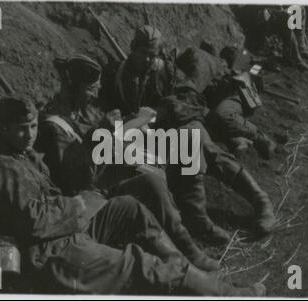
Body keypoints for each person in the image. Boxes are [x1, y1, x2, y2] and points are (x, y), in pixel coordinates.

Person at [0, 95, 267, 295]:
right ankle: (229, 295)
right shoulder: (2, 168)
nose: (29, 134)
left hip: (65, 229)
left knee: (128, 208)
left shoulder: (19, 155)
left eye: (31, 126)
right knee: (139, 265)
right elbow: (34, 221)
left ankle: (193, 275)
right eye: (19, 129)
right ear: (0, 128)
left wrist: (77, 204)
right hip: (50, 253)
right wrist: (77, 204)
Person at [35, 53, 221, 272]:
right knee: (151, 181)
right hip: (90, 200)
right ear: (70, 88)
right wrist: (102, 132)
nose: (96, 92)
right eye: (90, 88)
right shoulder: (53, 127)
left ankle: (188, 247)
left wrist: (132, 122)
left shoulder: (82, 111)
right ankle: (181, 260)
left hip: (107, 181)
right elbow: (76, 177)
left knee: (160, 169)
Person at [103, 25, 276, 238]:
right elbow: (106, 111)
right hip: (141, 140)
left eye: (153, 55)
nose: (149, 60)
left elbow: (193, 100)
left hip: (174, 127)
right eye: (144, 54)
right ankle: (196, 221)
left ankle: (260, 201)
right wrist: (123, 120)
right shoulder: (116, 76)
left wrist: (163, 111)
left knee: (203, 146)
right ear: (132, 49)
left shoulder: (167, 70)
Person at [204, 46, 276, 159]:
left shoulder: (229, 65)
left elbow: (247, 73)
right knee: (210, 121)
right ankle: (240, 141)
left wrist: (229, 76)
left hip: (235, 96)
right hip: (218, 100)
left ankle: (260, 137)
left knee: (223, 114)